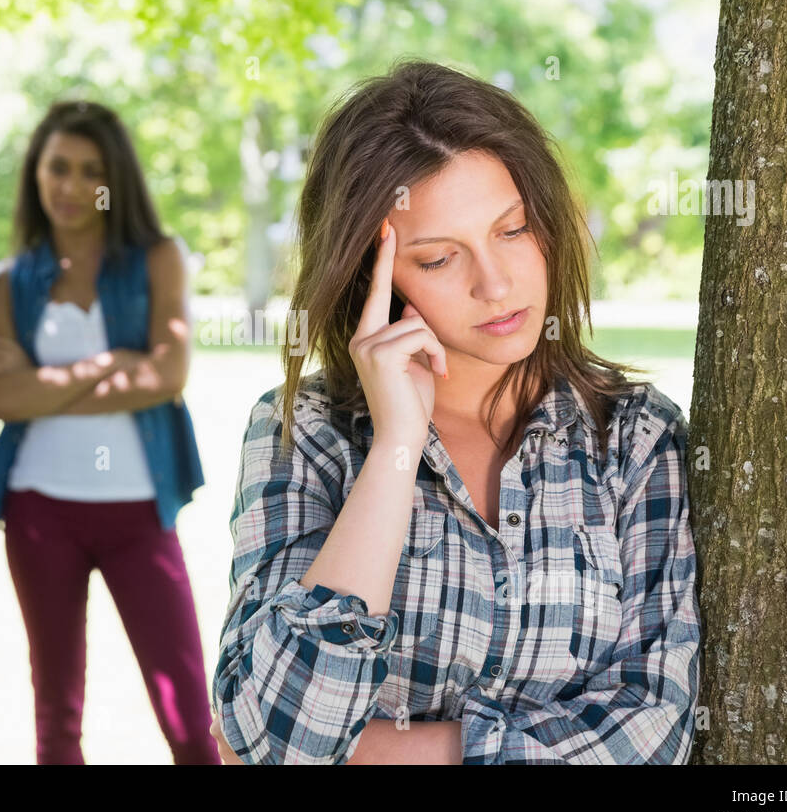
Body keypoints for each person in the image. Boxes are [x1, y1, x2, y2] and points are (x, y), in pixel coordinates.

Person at [209, 59, 702, 764]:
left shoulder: (635, 437)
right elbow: (273, 734)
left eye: (513, 231)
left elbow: (653, 734)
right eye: (441, 258)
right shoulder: (306, 433)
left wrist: (392, 754)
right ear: (369, 279)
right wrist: (394, 453)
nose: (496, 284)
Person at [0, 100, 218, 764]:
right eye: (58, 168)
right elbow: (4, 396)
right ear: (36, 174)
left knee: (189, 716)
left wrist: (47, 387)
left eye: (91, 171)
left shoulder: (157, 259)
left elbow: (168, 375)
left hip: (139, 511)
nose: (72, 187)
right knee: (56, 713)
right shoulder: (7, 281)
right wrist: (113, 363)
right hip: (38, 513)